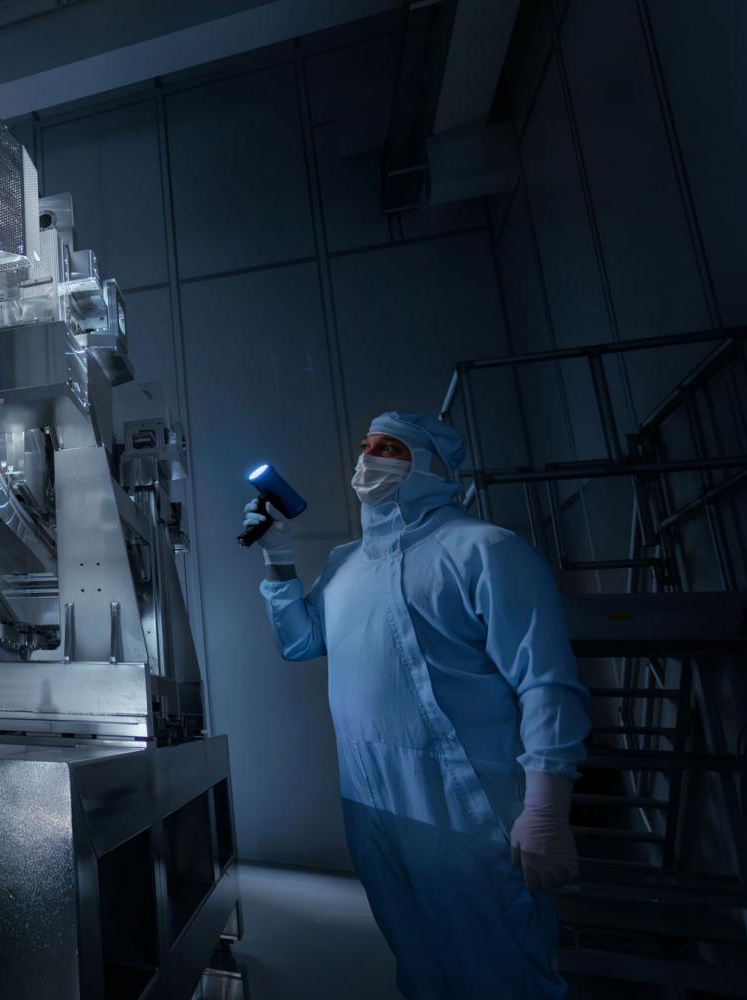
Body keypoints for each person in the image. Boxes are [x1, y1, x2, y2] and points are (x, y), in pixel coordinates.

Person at [244, 412, 590, 999]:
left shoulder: (486, 550)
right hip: (369, 800)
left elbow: (546, 682)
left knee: (500, 964)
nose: (366, 459)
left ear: (428, 465)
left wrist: (547, 806)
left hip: (465, 807)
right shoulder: (345, 563)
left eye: (388, 447)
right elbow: (301, 643)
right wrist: (277, 556)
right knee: (418, 958)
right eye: (364, 447)